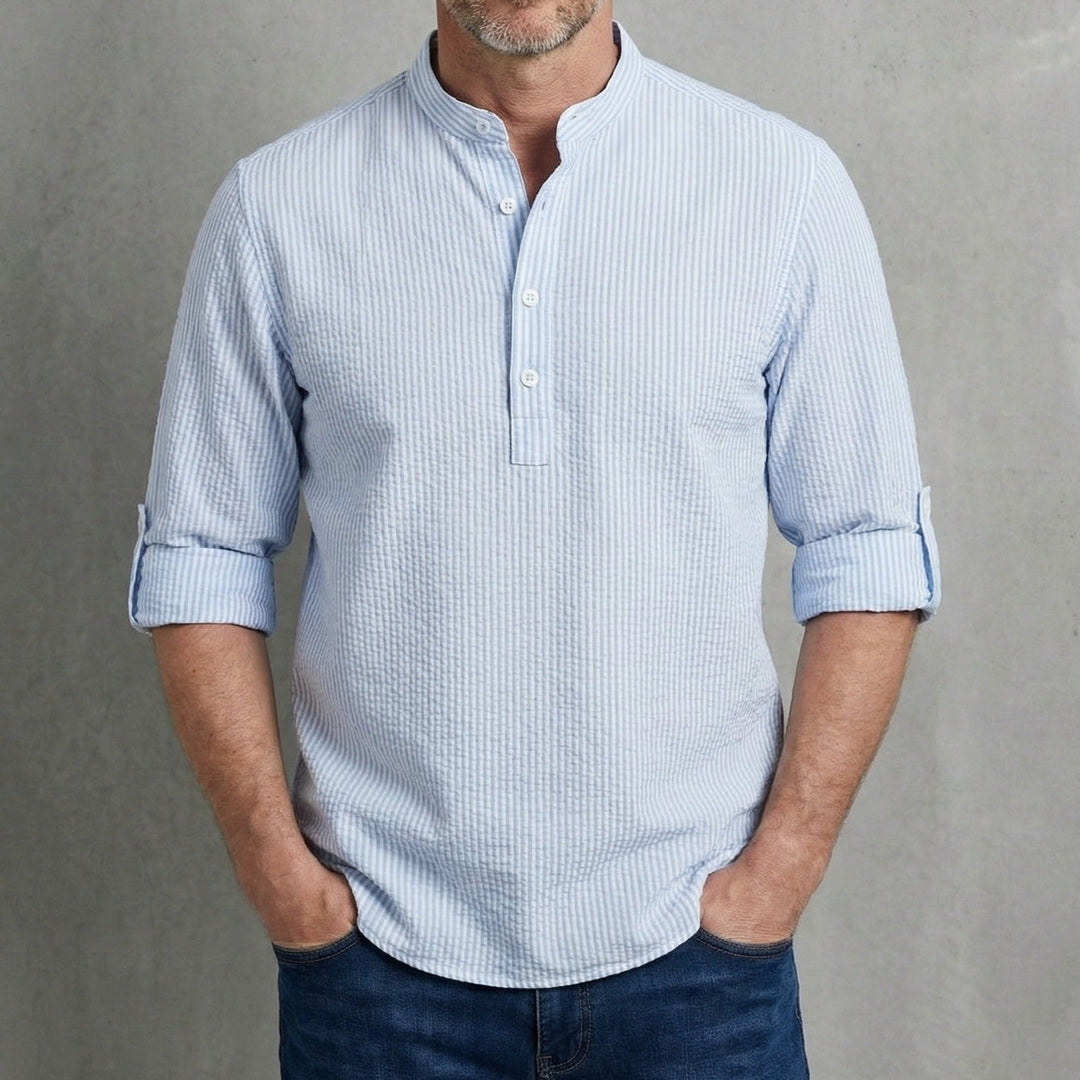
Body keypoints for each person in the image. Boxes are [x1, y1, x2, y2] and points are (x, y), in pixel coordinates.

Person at [128, 2, 940, 1076]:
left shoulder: (780, 186)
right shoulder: (279, 205)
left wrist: (780, 870)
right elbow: (202, 556)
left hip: (699, 967)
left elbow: (866, 543)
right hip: (377, 975)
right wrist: (278, 875)